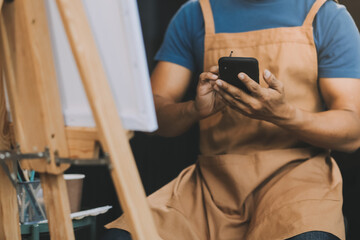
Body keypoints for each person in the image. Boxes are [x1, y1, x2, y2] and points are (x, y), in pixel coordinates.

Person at [103, 0, 360, 239]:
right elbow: (152, 117)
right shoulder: (195, 14)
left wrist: (284, 114)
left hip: (298, 180)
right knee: (124, 235)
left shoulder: (326, 16)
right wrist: (194, 109)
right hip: (211, 186)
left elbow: (352, 133)